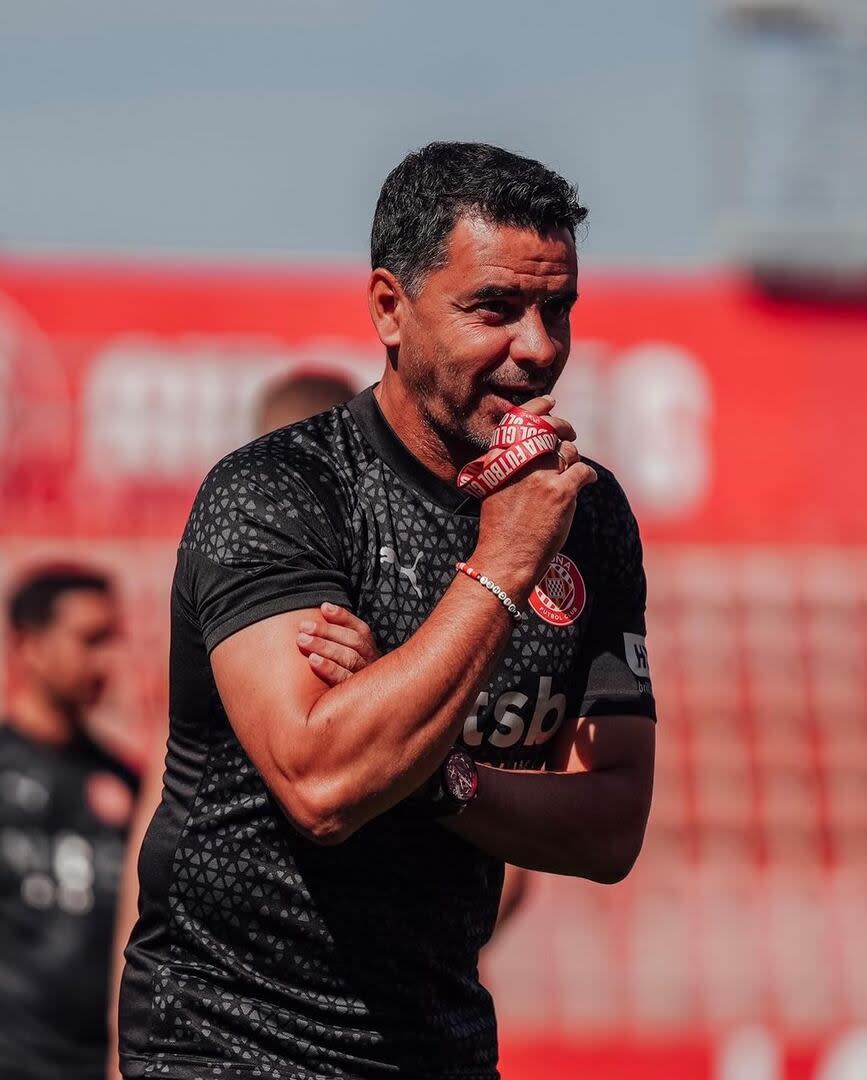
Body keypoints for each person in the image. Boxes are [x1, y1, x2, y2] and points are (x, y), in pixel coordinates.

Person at [119, 141, 656, 1080]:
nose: (537, 347)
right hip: (227, 1042)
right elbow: (324, 786)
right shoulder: (281, 491)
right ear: (388, 309)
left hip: (436, 1047)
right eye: (494, 308)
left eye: (556, 308)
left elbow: (609, 823)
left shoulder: (587, 512)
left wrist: (435, 774)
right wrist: (500, 564)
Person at [0, 566, 138, 1079]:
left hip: (94, 1062)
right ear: (29, 644)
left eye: (113, 640)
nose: (107, 661)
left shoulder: (129, 784)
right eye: (90, 640)